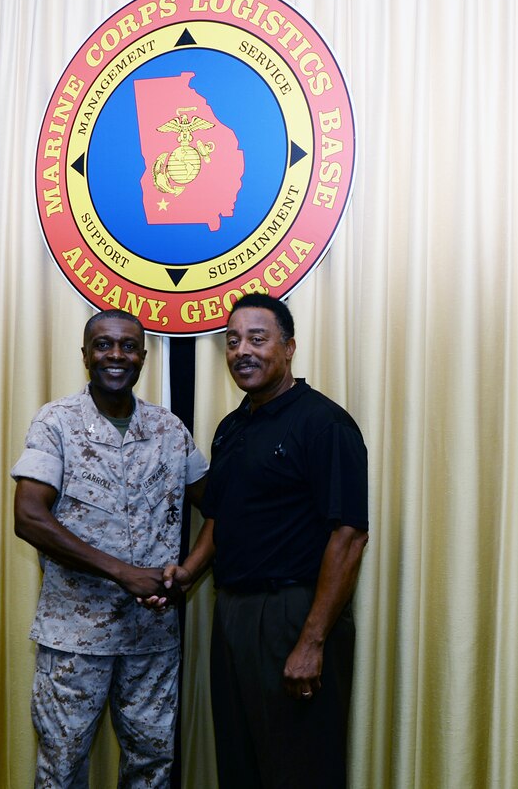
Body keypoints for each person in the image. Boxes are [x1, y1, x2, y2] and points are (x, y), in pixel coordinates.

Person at [161, 294, 369, 789]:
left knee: (300, 767)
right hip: (232, 612)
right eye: (232, 342)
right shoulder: (231, 428)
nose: (242, 351)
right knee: (240, 762)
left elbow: (349, 535)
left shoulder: (325, 424)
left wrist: (312, 642)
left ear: (289, 347)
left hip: (294, 613)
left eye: (258, 338)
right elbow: (221, 518)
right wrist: (188, 573)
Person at [11, 309, 208, 789]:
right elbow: (29, 516)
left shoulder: (170, 430)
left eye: (127, 346)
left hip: (152, 640)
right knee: (61, 769)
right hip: (75, 642)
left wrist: (190, 571)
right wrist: (123, 572)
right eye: (103, 345)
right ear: (85, 355)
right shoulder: (56, 422)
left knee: (152, 767)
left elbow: (219, 510)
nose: (115, 355)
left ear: (142, 356)